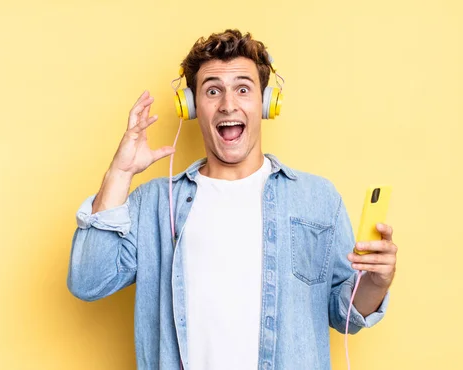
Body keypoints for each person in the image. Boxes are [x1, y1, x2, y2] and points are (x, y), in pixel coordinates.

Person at [67, 29, 398, 370]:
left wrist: (375, 282)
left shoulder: (316, 198)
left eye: (243, 88)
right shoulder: (155, 202)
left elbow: (345, 314)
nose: (228, 104)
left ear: (266, 103)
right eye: (212, 91)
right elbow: (89, 281)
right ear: (192, 106)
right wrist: (119, 174)